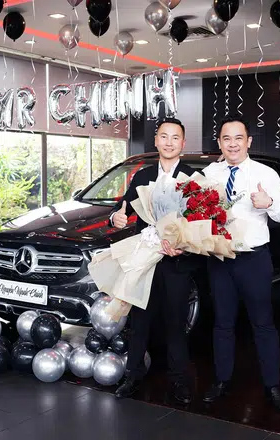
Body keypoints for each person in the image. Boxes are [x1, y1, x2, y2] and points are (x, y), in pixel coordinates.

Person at [201, 115, 280, 413]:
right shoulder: (208, 174)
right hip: (220, 258)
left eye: (238, 138)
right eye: (226, 139)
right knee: (222, 323)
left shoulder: (266, 174)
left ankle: (273, 385)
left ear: (248, 141)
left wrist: (269, 204)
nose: (232, 144)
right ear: (219, 143)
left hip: (254, 259)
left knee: (263, 323)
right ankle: (222, 380)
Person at [109, 117, 200, 404]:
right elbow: (122, 208)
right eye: (164, 136)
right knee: (139, 322)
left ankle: (179, 381)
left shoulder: (194, 178)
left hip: (177, 264)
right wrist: (116, 217)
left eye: (175, 137)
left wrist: (183, 246)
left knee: (176, 324)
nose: (169, 142)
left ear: (183, 143)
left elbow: (201, 224)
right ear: (156, 141)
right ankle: (133, 376)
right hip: (145, 261)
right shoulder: (142, 175)